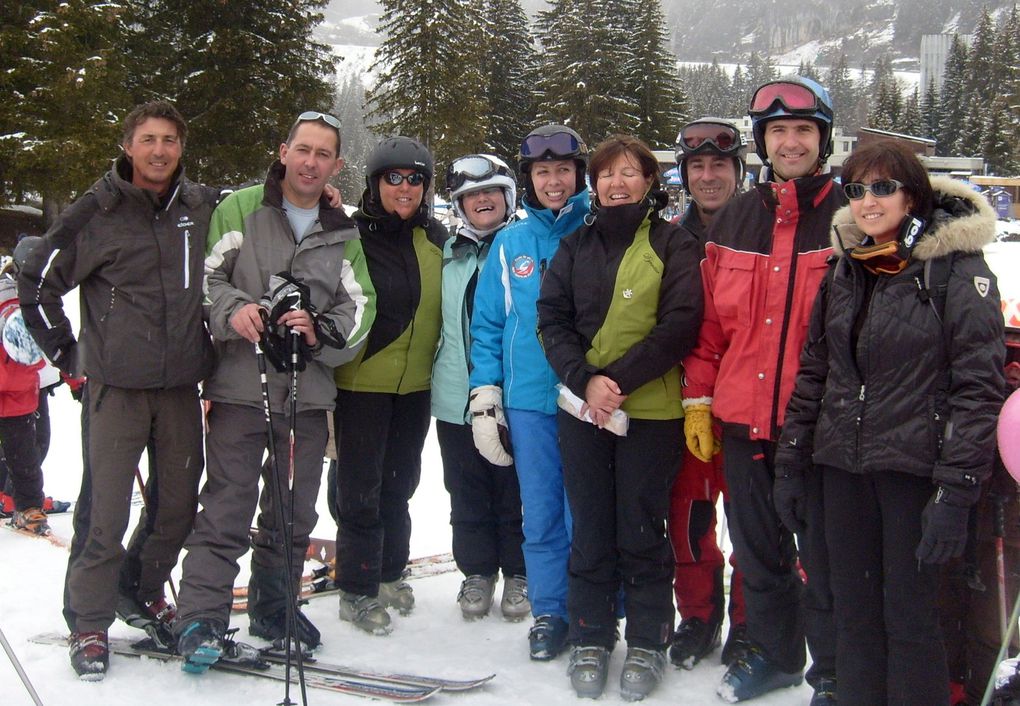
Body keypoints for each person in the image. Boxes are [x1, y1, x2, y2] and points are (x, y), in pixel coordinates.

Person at [775, 140, 1005, 705]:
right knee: (852, 611)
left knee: (908, 616)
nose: (868, 202)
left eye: (883, 188)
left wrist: (956, 492)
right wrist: (791, 461)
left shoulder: (955, 271)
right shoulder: (846, 269)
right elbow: (816, 371)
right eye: (856, 190)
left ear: (913, 196)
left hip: (910, 472)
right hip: (840, 468)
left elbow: (978, 388)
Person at [17, 101, 221, 680]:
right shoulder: (95, 212)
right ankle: (88, 621)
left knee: (177, 507)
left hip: (181, 384)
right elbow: (35, 280)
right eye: (149, 139)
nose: (160, 151)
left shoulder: (200, 206)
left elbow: (259, 206)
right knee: (104, 514)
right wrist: (67, 353)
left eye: (170, 141)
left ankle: (141, 588)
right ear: (128, 144)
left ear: (182, 148)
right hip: (116, 391)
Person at [172, 110, 375, 669]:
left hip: (306, 395)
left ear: (336, 164)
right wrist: (236, 310)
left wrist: (319, 330)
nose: (311, 162)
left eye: (324, 154)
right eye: (302, 149)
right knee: (226, 506)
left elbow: (359, 306)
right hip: (239, 387)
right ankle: (202, 617)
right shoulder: (240, 208)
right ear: (284, 152)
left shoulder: (342, 230)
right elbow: (206, 278)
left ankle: (275, 605)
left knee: (292, 511)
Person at [681, 76, 841, 704]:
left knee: (824, 556)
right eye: (778, 131)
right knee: (758, 549)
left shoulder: (849, 216)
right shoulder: (741, 216)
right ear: (763, 141)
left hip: (819, 423)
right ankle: (776, 656)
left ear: (821, 138)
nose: (791, 142)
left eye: (803, 130)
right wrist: (699, 398)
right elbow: (709, 327)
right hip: (743, 418)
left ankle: (831, 671)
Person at [537, 134, 702, 700]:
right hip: (582, 409)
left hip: (650, 413)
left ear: (650, 182)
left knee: (639, 525)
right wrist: (586, 381)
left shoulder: (671, 242)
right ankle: (590, 635)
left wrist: (618, 381)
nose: (617, 182)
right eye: (608, 174)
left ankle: (650, 640)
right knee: (590, 526)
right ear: (595, 183)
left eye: (631, 172)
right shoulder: (574, 246)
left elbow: (680, 324)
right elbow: (551, 318)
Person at [469, 124, 590, 661]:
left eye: (563, 169)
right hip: (529, 400)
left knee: (586, 513)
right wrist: (485, 393)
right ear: (529, 179)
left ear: (578, 173)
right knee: (539, 513)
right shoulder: (511, 242)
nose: (554, 180)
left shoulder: (597, 227)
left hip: (589, 398)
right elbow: (489, 325)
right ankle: (551, 611)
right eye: (542, 172)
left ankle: (595, 607)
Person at [331, 136, 446, 635]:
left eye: (415, 178)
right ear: (375, 184)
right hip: (360, 383)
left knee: (400, 486)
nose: (405, 187)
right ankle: (356, 587)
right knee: (360, 490)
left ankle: (390, 572)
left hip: (415, 386)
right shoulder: (350, 235)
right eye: (393, 178)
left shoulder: (437, 239)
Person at [665, 118, 749, 670]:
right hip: (683, 401)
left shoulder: (763, 230)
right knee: (691, 519)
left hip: (748, 402)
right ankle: (698, 615)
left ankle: (750, 620)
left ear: (738, 171)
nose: (708, 175)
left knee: (755, 523)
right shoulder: (670, 236)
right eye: (697, 165)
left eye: (720, 164)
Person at [433, 154, 529, 621]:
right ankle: (476, 570)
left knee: (513, 489)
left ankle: (519, 570)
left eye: (490, 192)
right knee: (465, 489)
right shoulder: (449, 257)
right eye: (472, 195)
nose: (482, 201)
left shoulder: (522, 249)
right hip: (455, 398)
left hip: (513, 397)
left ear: (508, 198)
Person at [0, 242, 48, 535]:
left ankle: (28, 506)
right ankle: (25, 503)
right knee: (25, 453)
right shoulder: (16, 300)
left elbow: (54, 346)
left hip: (19, 393)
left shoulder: (38, 299)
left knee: (25, 455)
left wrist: (76, 378)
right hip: (17, 389)